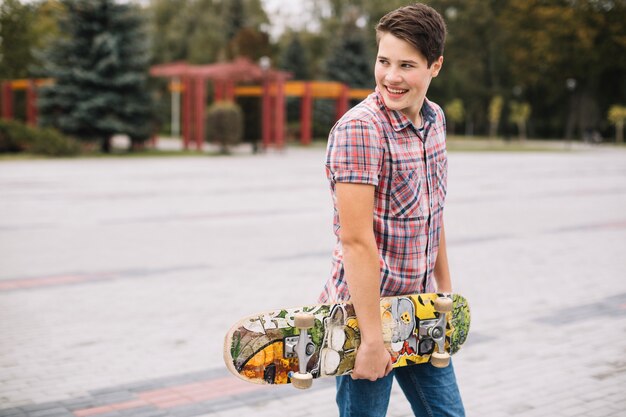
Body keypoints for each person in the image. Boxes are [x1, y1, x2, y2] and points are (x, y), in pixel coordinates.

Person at [319, 3, 465, 417]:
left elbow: (433, 216)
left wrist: (445, 297)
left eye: (407, 65)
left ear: (435, 66)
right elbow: (356, 241)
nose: (391, 76)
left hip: (419, 313)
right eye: (384, 61)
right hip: (363, 315)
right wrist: (370, 341)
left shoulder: (434, 120)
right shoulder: (360, 129)